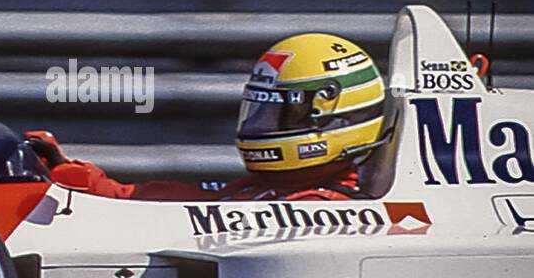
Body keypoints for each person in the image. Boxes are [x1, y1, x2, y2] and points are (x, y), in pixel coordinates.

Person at [28, 33, 386, 202]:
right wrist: (84, 180)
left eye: (281, 111)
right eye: (261, 109)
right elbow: (184, 197)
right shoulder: (262, 190)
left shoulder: (323, 207)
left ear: (331, 116)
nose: (263, 125)